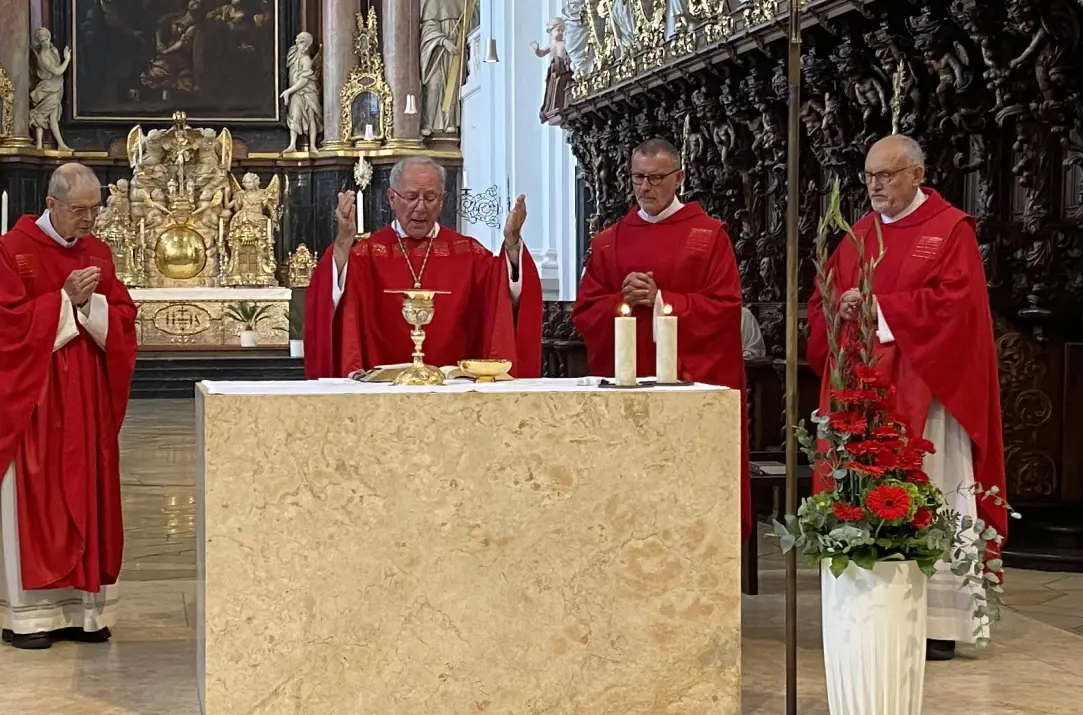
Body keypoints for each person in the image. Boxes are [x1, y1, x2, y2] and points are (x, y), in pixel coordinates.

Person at [809, 134, 1007, 661]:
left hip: (928, 393)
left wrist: (881, 309)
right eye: (869, 176)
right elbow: (819, 302)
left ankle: (936, 620)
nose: (875, 186)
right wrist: (840, 308)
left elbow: (958, 308)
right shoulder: (857, 236)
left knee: (934, 489)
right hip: (865, 393)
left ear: (917, 175)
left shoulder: (949, 231)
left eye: (887, 175)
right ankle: (868, 602)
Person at [0, 163, 138, 651]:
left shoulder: (98, 253)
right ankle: (29, 617)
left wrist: (90, 308)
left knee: (87, 496)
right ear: (52, 205)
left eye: (95, 209)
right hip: (34, 403)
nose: (88, 220)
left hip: (85, 403)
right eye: (78, 211)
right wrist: (63, 301)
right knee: (38, 503)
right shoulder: (15, 251)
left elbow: (123, 318)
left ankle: (84, 613)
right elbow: (2, 331)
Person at [572, 138, 750, 535]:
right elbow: (585, 312)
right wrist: (623, 300)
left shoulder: (708, 235)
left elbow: (724, 308)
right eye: (638, 177)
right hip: (627, 385)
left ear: (679, 178)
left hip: (688, 384)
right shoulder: (609, 241)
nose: (645, 187)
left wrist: (661, 300)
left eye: (656, 178)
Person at [302, 156, 543, 379]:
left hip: (453, 389)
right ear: (391, 198)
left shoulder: (467, 252)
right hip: (383, 391)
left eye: (430, 198)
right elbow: (330, 299)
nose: (420, 207)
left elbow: (503, 289)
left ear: (442, 200)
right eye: (411, 197)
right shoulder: (367, 254)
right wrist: (344, 240)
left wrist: (511, 242)